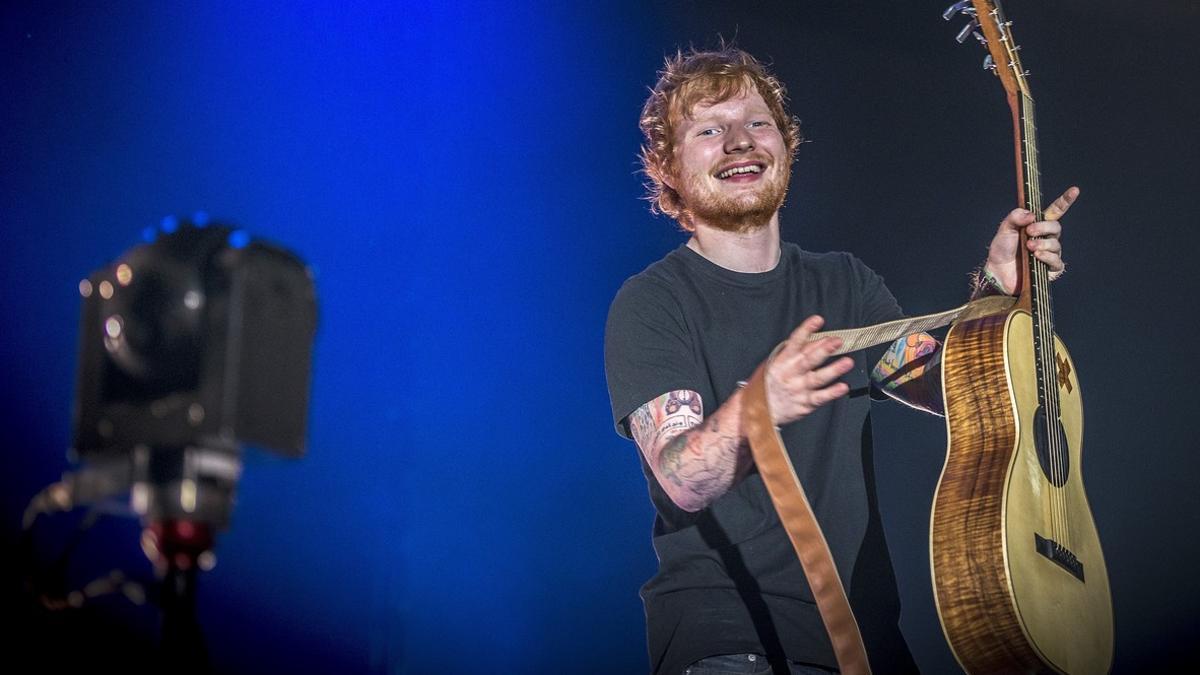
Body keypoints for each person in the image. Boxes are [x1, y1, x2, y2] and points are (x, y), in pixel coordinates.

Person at [603, 46, 1073, 675]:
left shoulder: (845, 284)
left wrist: (997, 288)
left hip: (866, 643)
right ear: (669, 171)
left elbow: (963, 390)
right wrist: (759, 407)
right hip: (733, 644)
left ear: (787, 148)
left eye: (757, 124)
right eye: (710, 130)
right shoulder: (653, 302)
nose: (740, 143)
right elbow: (685, 480)